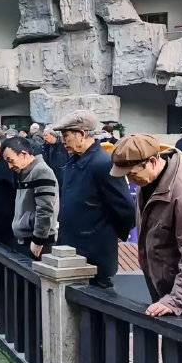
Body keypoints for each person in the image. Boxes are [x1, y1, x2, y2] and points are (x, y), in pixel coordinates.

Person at [111, 134, 182, 316]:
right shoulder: (149, 179)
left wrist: (176, 300)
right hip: (166, 289)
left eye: (132, 174)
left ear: (152, 161)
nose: (129, 181)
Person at [56, 110, 135, 288]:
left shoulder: (102, 163)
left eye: (66, 135)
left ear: (82, 135)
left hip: (94, 257)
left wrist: (105, 234)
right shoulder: (73, 161)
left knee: (97, 311)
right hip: (72, 253)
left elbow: (126, 209)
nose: (63, 141)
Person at [2, 135, 59, 258]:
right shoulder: (24, 172)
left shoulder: (41, 171)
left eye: (10, 160)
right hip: (26, 238)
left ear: (23, 154)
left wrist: (38, 240)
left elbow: (45, 209)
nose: (10, 166)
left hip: (38, 242)